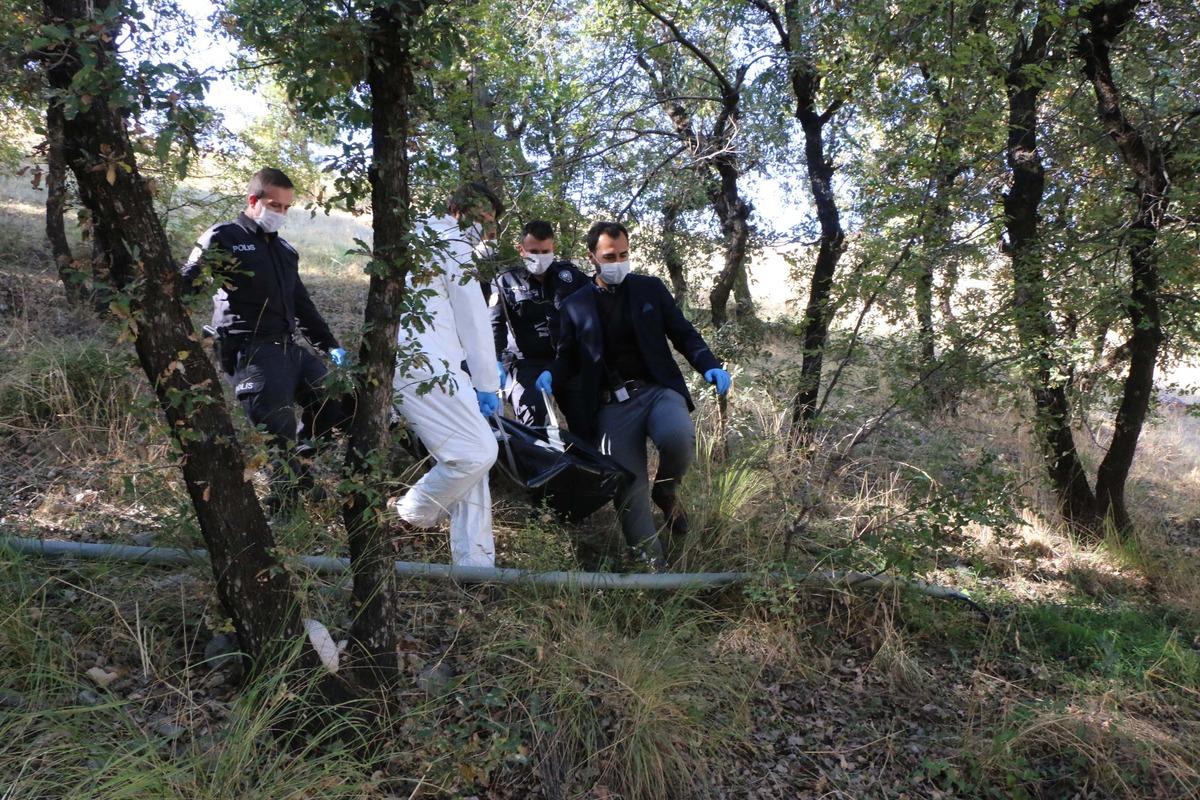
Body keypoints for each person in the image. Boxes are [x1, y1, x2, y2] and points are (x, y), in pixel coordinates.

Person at [537, 221, 732, 568]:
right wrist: (552, 373)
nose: (619, 262)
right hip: (612, 406)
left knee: (678, 437)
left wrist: (708, 365)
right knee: (629, 491)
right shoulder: (574, 305)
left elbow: (683, 334)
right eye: (610, 256)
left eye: (624, 254)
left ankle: (667, 489)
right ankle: (652, 569)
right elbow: (567, 356)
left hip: (657, 391)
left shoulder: (650, 289)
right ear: (592, 257)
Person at [180, 167, 350, 509]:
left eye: (287, 208)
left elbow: (301, 303)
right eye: (275, 206)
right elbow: (187, 283)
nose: (281, 214)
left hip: (290, 348)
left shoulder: (285, 250)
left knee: (341, 401)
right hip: (250, 350)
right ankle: (285, 512)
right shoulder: (222, 236)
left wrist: (329, 346)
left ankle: (303, 463)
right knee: (278, 434)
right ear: (253, 201)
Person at [390, 183, 504, 567]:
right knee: (479, 452)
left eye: (491, 224)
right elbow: (474, 321)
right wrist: (489, 384)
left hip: (428, 364)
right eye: (483, 219)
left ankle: (475, 564)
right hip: (426, 368)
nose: (485, 230)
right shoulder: (449, 245)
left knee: (473, 456)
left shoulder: (414, 236)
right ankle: (410, 512)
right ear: (458, 208)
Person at [489, 220, 589, 431]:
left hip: (568, 361)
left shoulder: (571, 277)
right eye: (533, 251)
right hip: (528, 364)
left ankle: (580, 464)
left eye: (545, 251)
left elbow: (594, 312)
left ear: (553, 248)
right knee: (532, 421)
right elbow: (495, 325)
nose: (540, 256)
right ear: (521, 250)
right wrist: (495, 362)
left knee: (585, 423)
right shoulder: (506, 281)